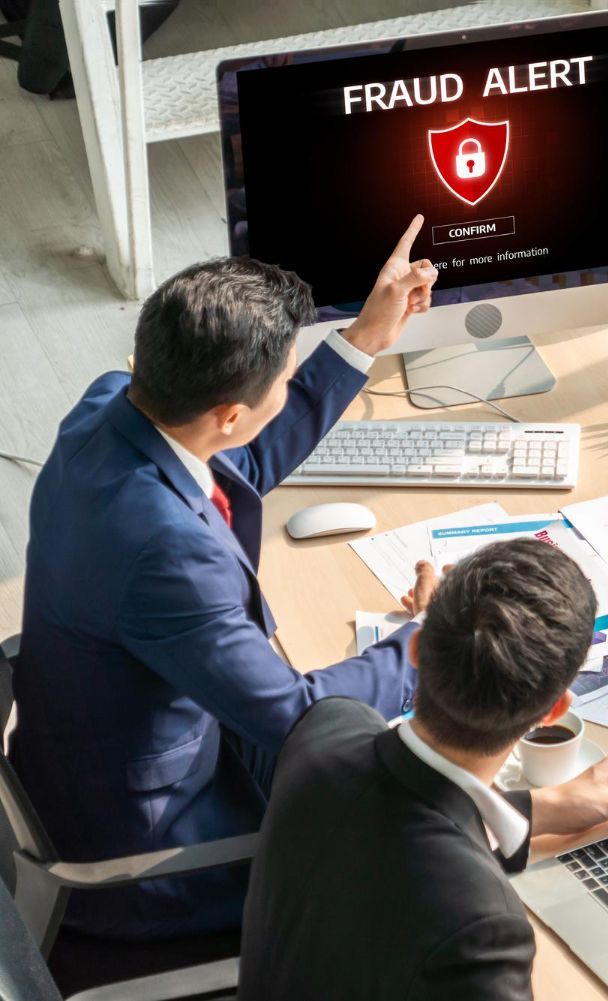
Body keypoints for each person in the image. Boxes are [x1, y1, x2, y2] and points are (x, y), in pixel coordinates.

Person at [10, 217, 441, 942]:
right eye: (285, 378)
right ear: (231, 411)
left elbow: (239, 460)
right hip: (153, 851)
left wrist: (363, 338)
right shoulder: (166, 553)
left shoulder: (109, 404)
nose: (288, 384)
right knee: (418, 860)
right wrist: (432, 645)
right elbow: (298, 717)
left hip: (83, 761)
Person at [238, 539, 608, 1001]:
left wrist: (541, 810)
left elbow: (393, 822)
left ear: (415, 651)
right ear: (552, 710)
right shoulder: (481, 926)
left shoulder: (328, 727)